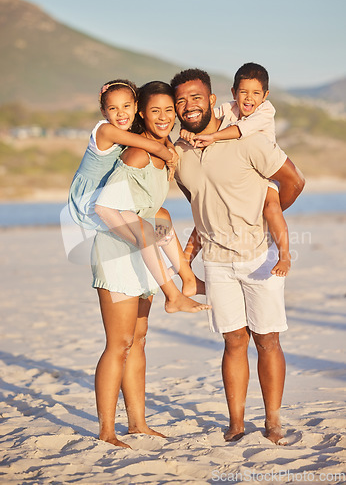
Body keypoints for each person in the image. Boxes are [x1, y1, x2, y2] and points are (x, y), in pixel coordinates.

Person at [170, 68, 305, 444]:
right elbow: (202, 205)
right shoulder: (180, 153)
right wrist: (191, 252)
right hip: (216, 262)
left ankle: (274, 422)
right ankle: (236, 422)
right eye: (181, 100)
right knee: (233, 342)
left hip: (259, 257)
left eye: (196, 97)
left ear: (213, 100)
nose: (188, 106)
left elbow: (294, 181)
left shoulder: (251, 139)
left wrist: (268, 213)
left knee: (268, 341)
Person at [90, 81, 211, 447]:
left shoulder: (165, 150)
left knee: (138, 340)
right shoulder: (137, 155)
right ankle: (107, 430)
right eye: (155, 111)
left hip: (144, 255)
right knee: (119, 342)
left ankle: (138, 423)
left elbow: (154, 211)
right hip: (116, 254)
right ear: (142, 112)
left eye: (168, 111)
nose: (163, 117)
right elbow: (103, 206)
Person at [68, 78, 204, 297]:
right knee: (147, 233)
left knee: (163, 215)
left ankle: (187, 277)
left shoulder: (126, 129)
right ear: (104, 111)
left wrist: (170, 145)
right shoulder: (105, 130)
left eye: (126, 107)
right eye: (113, 108)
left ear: (135, 108)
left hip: (107, 193)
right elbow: (151, 144)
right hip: (89, 199)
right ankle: (159, 262)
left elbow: (160, 138)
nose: (121, 113)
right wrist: (170, 155)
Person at [180, 63, 290, 277]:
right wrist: (187, 130)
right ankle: (187, 260)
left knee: (272, 208)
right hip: (240, 173)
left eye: (256, 93)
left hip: (264, 174)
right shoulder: (229, 108)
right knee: (211, 209)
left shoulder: (266, 111)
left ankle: (284, 256)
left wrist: (213, 137)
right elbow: (207, 119)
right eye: (243, 92)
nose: (249, 98)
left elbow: (242, 129)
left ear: (265, 95)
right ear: (234, 92)